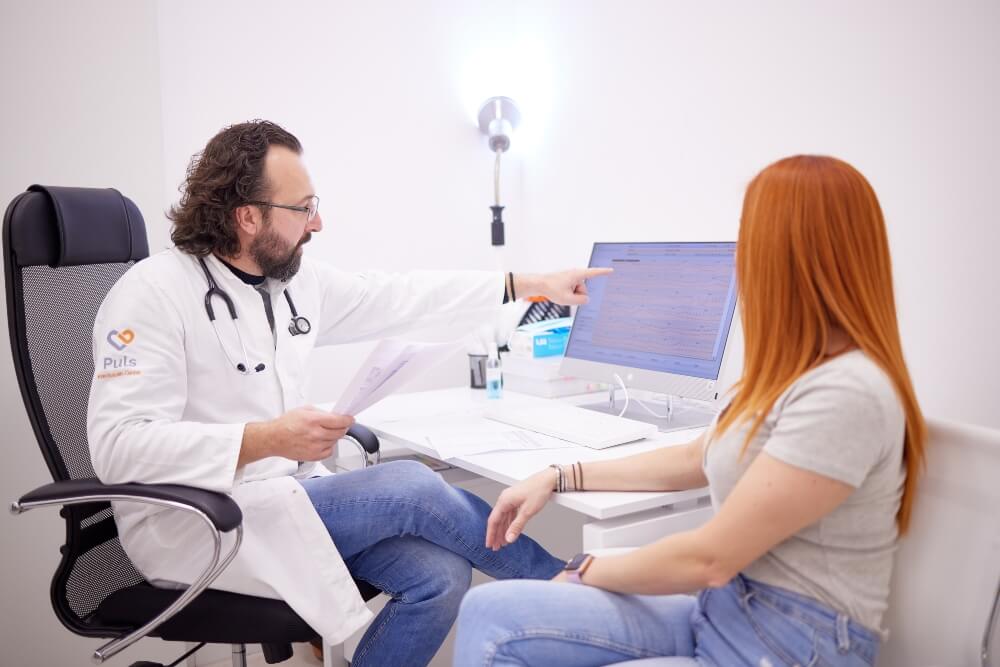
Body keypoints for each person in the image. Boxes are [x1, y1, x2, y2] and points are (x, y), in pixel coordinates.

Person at [87, 120, 609, 666]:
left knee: (440, 577)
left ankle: (564, 585)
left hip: (286, 499)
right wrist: (264, 439)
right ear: (247, 216)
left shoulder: (291, 284)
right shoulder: (151, 295)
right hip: (199, 522)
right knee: (410, 484)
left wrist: (523, 285)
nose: (318, 222)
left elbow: (402, 296)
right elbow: (119, 447)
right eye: (303, 208)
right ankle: (567, 585)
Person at [453, 155, 926, 667]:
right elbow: (691, 461)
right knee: (490, 611)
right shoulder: (782, 375)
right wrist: (558, 475)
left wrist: (584, 570)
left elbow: (711, 558)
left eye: (752, 238)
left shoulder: (847, 393)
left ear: (797, 257)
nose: (741, 259)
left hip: (791, 644)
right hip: (723, 613)